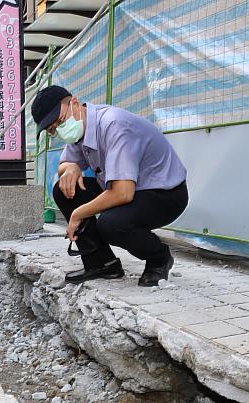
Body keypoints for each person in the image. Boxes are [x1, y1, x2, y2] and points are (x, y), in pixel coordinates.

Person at [32, 85, 189, 287]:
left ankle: (159, 258)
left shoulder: (114, 124)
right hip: (128, 190)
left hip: (165, 194)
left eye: (60, 122)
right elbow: (64, 164)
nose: (60, 130)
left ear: (75, 103)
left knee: (111, 225)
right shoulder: (80, 130)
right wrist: (70, 167)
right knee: (64, 191)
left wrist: (78, 214)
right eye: (53, 130)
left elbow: (122, 193)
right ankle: (102, 263)